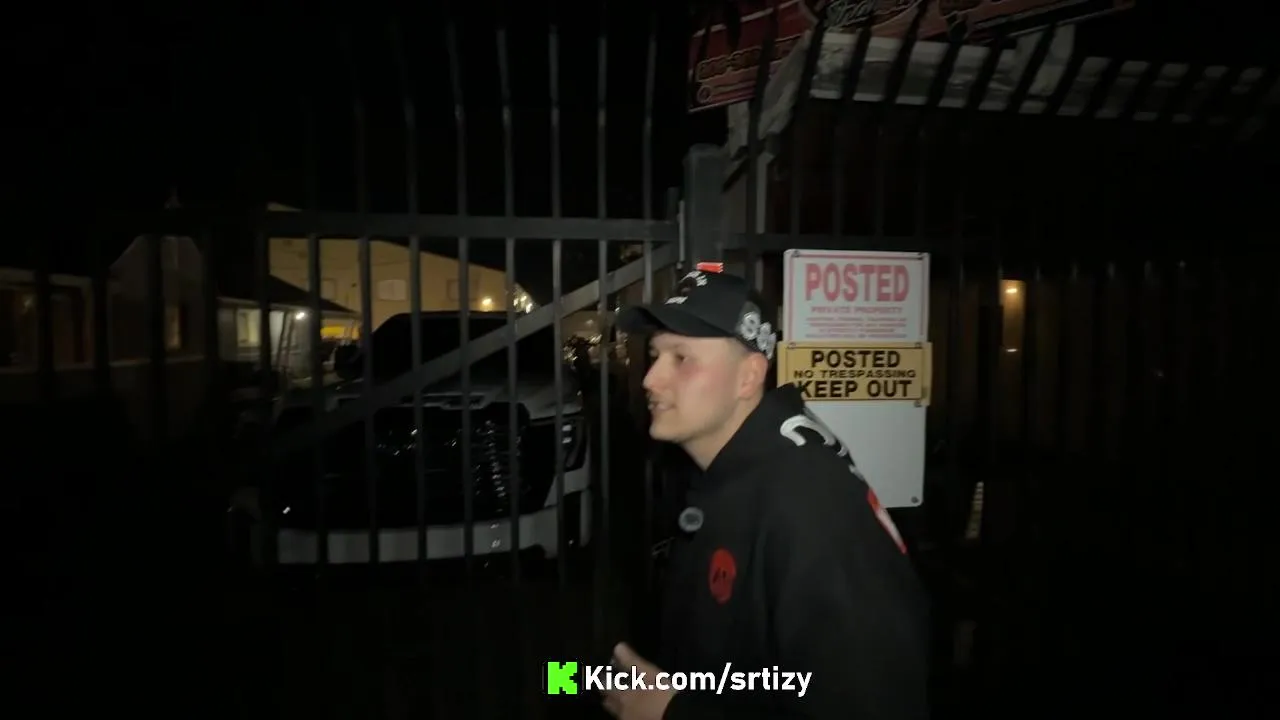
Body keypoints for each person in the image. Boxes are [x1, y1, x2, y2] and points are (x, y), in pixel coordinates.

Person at [602, 270, 930, 720]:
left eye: (681, 358)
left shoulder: (811, 506)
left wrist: (671, 712)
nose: (650, 379)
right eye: (656, 355)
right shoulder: (735, 468)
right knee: (563, 679)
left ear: (748, 377)